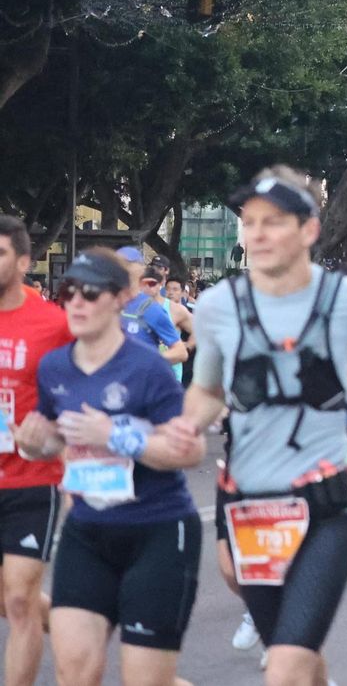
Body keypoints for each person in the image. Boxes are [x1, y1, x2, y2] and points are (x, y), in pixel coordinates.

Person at [183, 167, 347, 685]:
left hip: (325, 505)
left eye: (273, 221)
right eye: (249, 222)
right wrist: (179, 429)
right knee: (298, 657)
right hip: (252, 505)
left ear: (309, 229)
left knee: (285, 666)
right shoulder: (217, 306)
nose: (258, 233)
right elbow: (206, 392)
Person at [13, 248, 204, 686]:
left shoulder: (147, 368)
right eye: (69, 293)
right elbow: (55, 439)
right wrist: (37, 444)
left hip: (156, 531)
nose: (75, 303)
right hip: (88, 531)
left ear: (120, 298)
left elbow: (189, 453)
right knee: (75, 671)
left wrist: (116, 435)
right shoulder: (55, 367)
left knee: (146, 681)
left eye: (90, 293)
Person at [0, 215, 72, 686]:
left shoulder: (53, 325)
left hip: (31, 479)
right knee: (9, 596)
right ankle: (74, 628)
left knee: (20, 601)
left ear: (24, 261)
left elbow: (89, 384)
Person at [113, 248, 188, 370]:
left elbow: (180, 352)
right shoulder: (104, 303)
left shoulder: (151, 308)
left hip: (140, 384)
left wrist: (145, 362)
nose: (119, 268)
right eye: (115, 263)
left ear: (140, 270)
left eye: (126, 263)